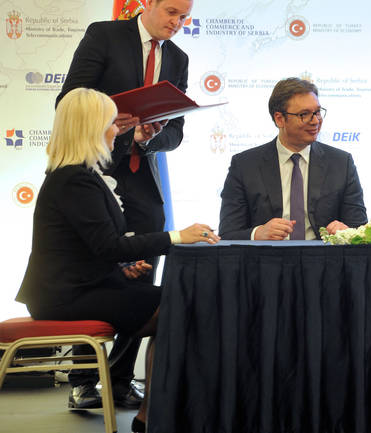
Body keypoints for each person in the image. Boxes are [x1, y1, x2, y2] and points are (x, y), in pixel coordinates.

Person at [15, 88, 219, 433]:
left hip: (81, 288)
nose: (117, 130)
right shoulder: (73, 179)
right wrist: (176, 236)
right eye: (112, 122)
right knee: (180, 307)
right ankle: (155, 415)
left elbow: (89, 249)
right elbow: (108, 246)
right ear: (91, 128)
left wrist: (122, 269)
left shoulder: (79, 175)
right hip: (65, 297)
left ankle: (153, 414)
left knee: (180, 304)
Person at [55, 0, 193, 409]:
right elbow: (69, 102)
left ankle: (118, 379)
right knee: (94, 270)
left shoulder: (178, 58)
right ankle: (83, 381)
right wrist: (117, 128)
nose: (177, 23)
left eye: (185, 17)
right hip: (96, 171)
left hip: (143, 181)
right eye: (171, 12)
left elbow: (176, 132)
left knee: (143, 279)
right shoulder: (104, 35)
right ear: (148, 4)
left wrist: (150, 136)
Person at [219, 78, 367, 240]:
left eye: (317, 112)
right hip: (267, 254)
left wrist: (347, 231)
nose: (315, 121)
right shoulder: (245, 165)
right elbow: (228, 233)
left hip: (322, 254)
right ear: (279, 119)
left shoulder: (341, 163)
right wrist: (257, 233)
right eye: (304, 114)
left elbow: (360, 227)